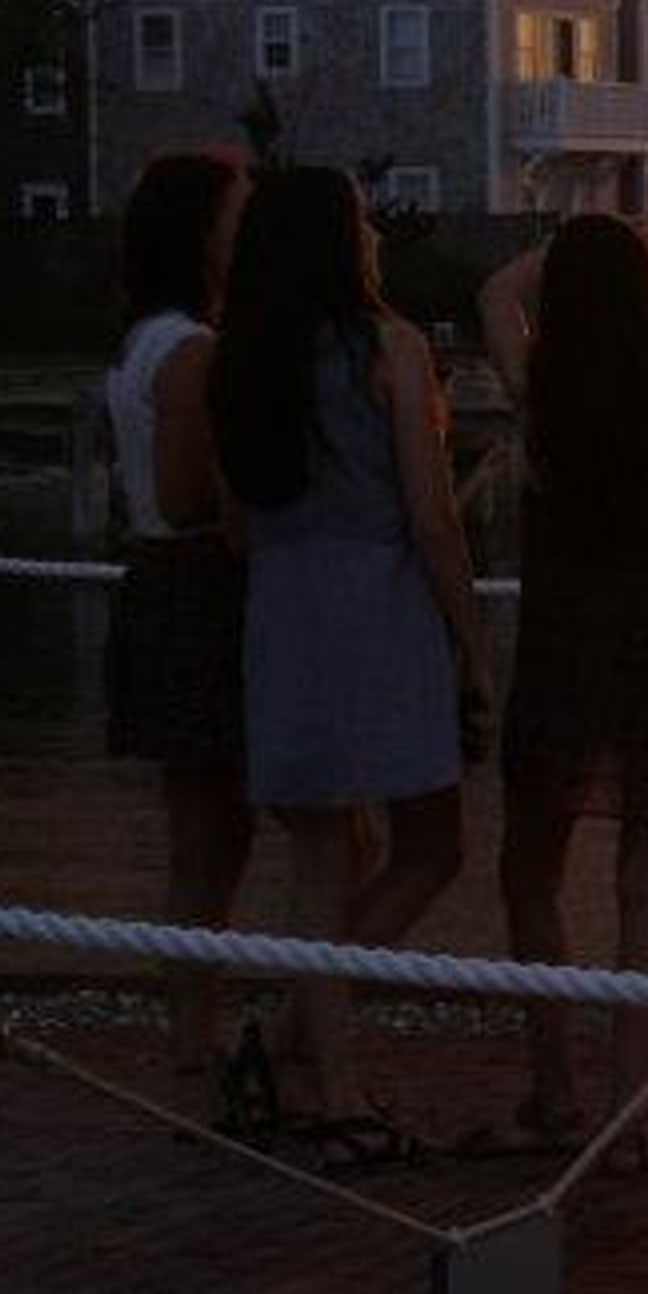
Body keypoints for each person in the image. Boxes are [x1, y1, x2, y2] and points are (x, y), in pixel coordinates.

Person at [206, 165, 494, 1148]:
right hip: (379, 607)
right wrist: (475, 649)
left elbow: (236, 531)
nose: (374, 238)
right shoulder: (392, 348)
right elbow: (434, 518)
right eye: (363, 225)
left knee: (317, 860)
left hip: (282, 613)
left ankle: (311, 1064)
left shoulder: (237, 364)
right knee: (433, 845)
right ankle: (325, 1077)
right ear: (341, 243)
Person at [478, 215, 648, 1156]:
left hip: (564, 655)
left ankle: (554, 1090)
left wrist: (564, 249)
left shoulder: (544, 404)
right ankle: (632, 1119)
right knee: (646, 891)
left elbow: (492, 298)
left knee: (529, 872)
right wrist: (620, 254)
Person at [102, 150, 254, 1100]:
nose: (249, 231)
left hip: (153, 583)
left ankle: (193, 1034)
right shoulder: (192, 351)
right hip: (197, 590)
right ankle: (203, 1042)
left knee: (198, 835)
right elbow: (188, 493)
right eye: (237, 216)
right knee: (213, 836)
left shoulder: (139, 342)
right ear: (203, 235)